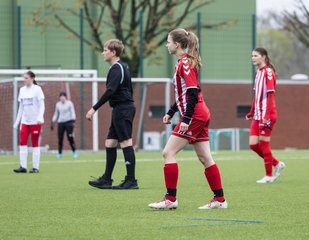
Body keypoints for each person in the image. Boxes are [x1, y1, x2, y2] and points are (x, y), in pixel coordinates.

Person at [148, 28, 227, 210]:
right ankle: (220, 200)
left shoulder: (184, 63)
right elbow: (187, 93)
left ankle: (170, 199)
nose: (166, 45)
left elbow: (192, 93)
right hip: (200, 113)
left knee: (168, 152)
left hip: (195, 115)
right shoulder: (183, 62)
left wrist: (186, 119)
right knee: (205, 157)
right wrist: (171, 111)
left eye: (168, 41)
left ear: (176, 44)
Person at [86, 39, 138, 190]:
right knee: (110, 143)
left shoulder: (117, 68)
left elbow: (110, 91)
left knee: (126, 143)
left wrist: (93, 108)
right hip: (120, 109)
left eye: (105, 50)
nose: (103, 52)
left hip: (123, 109)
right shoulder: (122, 67)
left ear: (113, 52)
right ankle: (106, 179)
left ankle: (131, 181)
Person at [246, 47, 286, 183]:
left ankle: (269, 176)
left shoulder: (268, 72)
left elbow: (270, 96)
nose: (253, 58)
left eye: (255, 55)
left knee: (264, 144)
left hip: (267, 115)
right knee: (253, 145)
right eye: (252, 55)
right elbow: (256, 95)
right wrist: (251, 112)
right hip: (257, 115)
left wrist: (266, 116)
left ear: (263, 57)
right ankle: (277, 163)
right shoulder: (258, 73)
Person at [13, 71, 45, 174]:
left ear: (32, 78)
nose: (24, 79)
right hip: (25, 122)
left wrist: (40, 117)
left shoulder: (37, 89)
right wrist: (17, 122)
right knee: (22, 143)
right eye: (24, 78)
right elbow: (21, 108)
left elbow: (42, 105)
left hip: (35, 122)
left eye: (26, 78)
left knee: (35, 144)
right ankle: (23, 167)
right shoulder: (22, 90)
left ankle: (35, 167)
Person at [51, 92, 77, 158]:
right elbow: (56, 114)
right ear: (59, 98)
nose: (62, 98)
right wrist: (53, 122)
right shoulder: (58, 104)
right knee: (60, 138)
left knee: (70, 137)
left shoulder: (69, 103)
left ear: (65, 97)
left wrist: (73, 120)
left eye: (63, 96)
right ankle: (59, 153)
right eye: (61, 97)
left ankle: (74, 151)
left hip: (69, 122)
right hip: (61, 123)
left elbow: (72, 112)